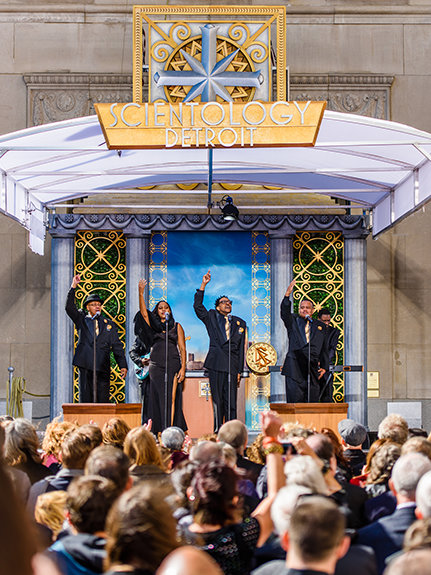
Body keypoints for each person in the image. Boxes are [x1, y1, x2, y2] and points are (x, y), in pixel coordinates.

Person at [194, 270, 247, 432]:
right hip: (216, 364)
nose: (227, 304)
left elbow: (240, 349)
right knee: (217, 401)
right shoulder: (211, 316)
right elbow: (197, 306)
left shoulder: (239, 323)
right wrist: (203, 285)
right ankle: (218, 432)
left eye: (229, 302)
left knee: (231, 401)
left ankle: (232, 432)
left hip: (232, 365)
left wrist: (239, 370)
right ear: (217, 307)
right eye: (224, 302)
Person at [65, 274, 128, 403]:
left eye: (99, 304)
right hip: (85, 363)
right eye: (93, 304)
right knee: (86, 398)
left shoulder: (108, 324)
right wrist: (73, 286)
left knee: (103, 399)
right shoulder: (82, 319)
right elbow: (69, 308)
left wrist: (122, 365)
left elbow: (117, 345)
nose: (97, 306)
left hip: (102, 364)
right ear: (87, 307)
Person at [137, 279, 187, 435]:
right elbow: (144, 314)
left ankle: (169, 432)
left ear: (170, 311)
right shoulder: (153, 326)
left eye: (166, 307)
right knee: (156, 398)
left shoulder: (177, 326)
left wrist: (183, 368)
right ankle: (157, 431)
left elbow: (182, 348)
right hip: (156, 365)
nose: (163, 310)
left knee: (171, 398)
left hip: (173, 364)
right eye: (160, 308)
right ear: (156, 311)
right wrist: (140, 293)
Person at [280, 279, 329, 403]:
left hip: (312, 370)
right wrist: (287, 295)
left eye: (307, 308)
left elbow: (324, 347)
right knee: (294, 403)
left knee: (311, 404)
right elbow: (284, 312)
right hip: (294, 368)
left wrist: (324, 367)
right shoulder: (293, 320)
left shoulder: (320, 326)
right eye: (302, 308)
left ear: (312, 311)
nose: (304, 310)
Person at [317, 308, 340, 402]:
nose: (326, 323)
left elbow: (332, 349)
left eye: (328, 321)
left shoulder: (334, 332)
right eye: (324, 321)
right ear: (318, 319)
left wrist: (323, 363)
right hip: (313, 367)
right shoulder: (312, 330)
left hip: (326, 367)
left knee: (327, 396)